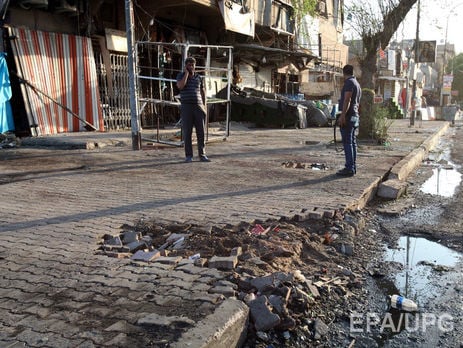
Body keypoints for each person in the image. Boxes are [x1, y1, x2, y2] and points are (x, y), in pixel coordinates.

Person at [176, 57, 210, 162]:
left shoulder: (199, 77)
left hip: (198, 107)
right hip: (187, 107)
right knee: (187, 132)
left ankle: (202, 154)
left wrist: (204, 106)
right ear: (185, 66)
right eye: (189, 65)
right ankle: (189, 156)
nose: (191, 67)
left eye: (192, 65)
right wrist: (186, 74)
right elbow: (180, 86)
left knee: (201, 132)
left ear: (195, 66)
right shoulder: (181, 76)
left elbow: (203, 91)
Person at [337, 64, 361, 177]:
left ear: (344, 73)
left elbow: (347, 99)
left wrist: (342, 115)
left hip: (349, 115)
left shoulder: (349, 83)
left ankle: (349, 168)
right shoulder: (357, 84)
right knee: (352, 142)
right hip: (355, 115)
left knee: (347, 142)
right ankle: (352, 166)